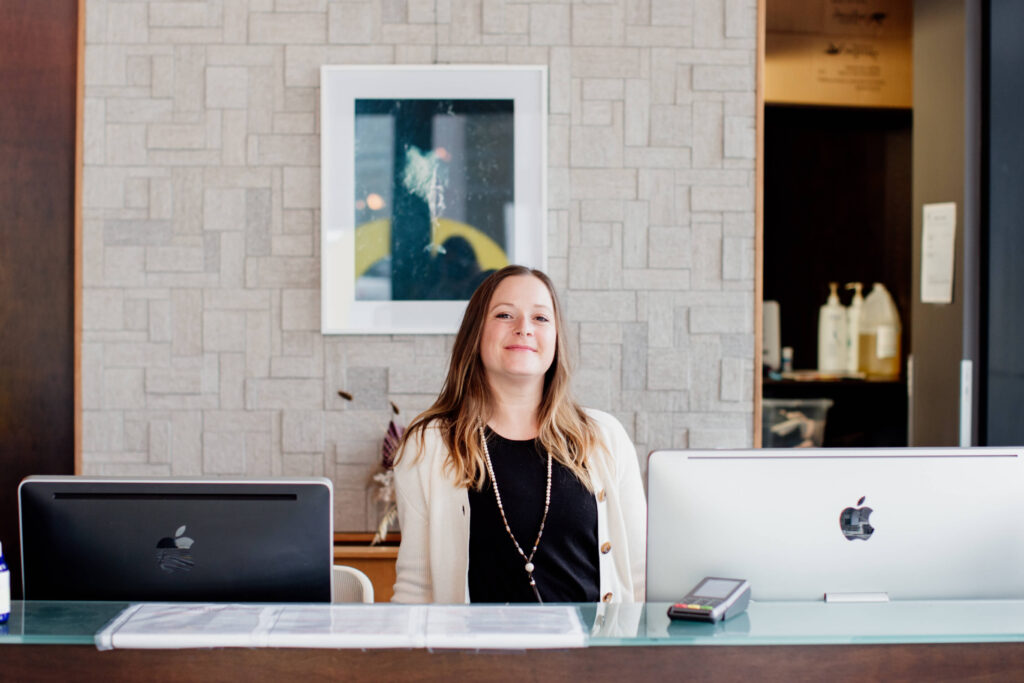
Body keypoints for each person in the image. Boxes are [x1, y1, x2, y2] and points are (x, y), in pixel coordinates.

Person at [391, 265, 646, 604]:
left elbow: (640, 576)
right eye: (504, 315)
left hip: (591, 654)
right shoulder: (429, 444)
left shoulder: (604, 437)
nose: (524, 328)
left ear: (556, 339)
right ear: (476, 333)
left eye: (541, 318)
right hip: (479, 655)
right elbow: (415, 589)